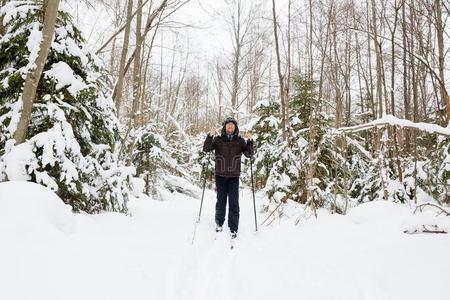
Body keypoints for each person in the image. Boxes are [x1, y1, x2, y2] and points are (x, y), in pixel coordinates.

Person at [202, 116, 254, 239]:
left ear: (235, 127)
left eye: (232, 124)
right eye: (228, 124)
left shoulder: (240, 141)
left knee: (234, 203)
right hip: (220, 176)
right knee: (220, 202)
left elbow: (249, 154)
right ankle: (219, 223)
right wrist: (210, 136)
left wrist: (250, 141)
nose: (230, 126)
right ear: (224, 127)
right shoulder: (218, 140)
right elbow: (206, 149)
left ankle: (233, 228)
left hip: (234, 177)